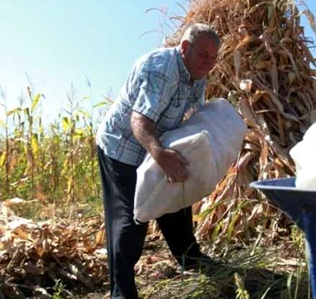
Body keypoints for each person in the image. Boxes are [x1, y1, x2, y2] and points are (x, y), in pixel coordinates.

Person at [95, 23, 221, 299]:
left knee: (175, 201)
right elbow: (139, 121)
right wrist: (161, 155)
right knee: (131, 220)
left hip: (153, 142)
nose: (208, 63)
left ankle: (191, 260)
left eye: (213, 58)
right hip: (122, 146)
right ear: (185, 48)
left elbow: (195, 114)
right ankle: (122, 292)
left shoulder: (198, 74)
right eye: (203, 55)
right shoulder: (162, 69)